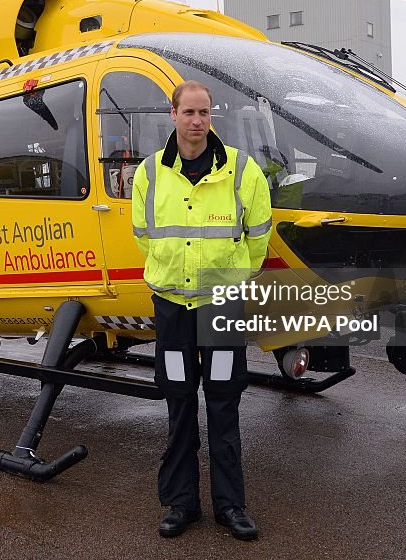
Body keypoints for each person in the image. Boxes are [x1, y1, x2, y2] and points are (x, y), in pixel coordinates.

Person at [132, 80, 272, 541]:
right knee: (178, 404)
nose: (197, 121)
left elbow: (258, 237)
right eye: (189, 112)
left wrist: (232, 282)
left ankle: (231, 506)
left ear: (212, 117)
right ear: (172, 115)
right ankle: (180, 504)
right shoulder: (149, 173)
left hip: (221, 308)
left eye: (205, 113)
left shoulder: (242, 170)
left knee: (224, 404)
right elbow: (143, 236)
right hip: (172, 307)